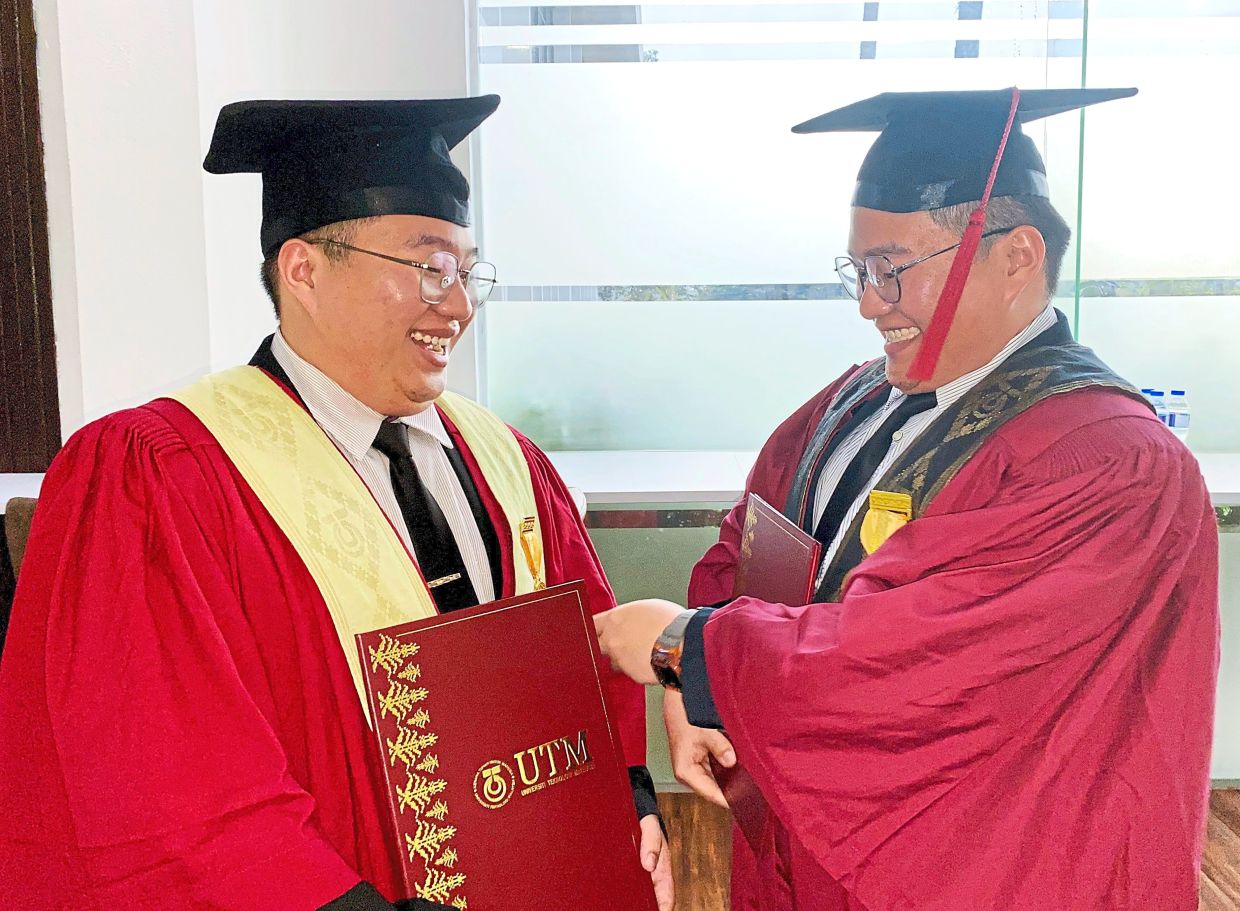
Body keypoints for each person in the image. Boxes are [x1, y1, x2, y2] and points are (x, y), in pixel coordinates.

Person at [0, 96, 671, 911]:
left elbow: (582, 668)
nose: (457, 306)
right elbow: (163, 789)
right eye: (429, 267)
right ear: (305, 271)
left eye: (467, 270)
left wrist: (628, 799)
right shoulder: (163, 478)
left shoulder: (506, 459)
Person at [595, 87, 1218, 910]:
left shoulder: (1109, 463)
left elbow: (925, 662)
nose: (865, 302)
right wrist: (695, 694)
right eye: (858, 269)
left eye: (891, 269)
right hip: (807, 835)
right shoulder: (853, 401)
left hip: (987, 862)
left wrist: (692, 650)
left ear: (1017, 255)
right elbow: (751, 541)